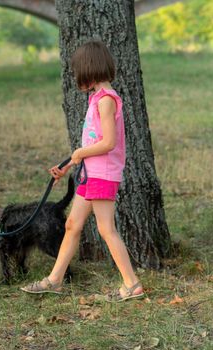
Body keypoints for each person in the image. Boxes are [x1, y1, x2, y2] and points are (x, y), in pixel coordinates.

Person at [21, 40, 143, 302]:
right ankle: (54, 280)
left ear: (89, 69)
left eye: (79, 71)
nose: (77, 77)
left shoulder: (107, 100)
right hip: (92, 172)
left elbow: (108, 142)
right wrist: (67, 165)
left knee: (106, 229)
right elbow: (92, 142)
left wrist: (80, 153)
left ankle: (132, 284)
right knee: (72, 224)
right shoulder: (96, 97)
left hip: (103, 174)